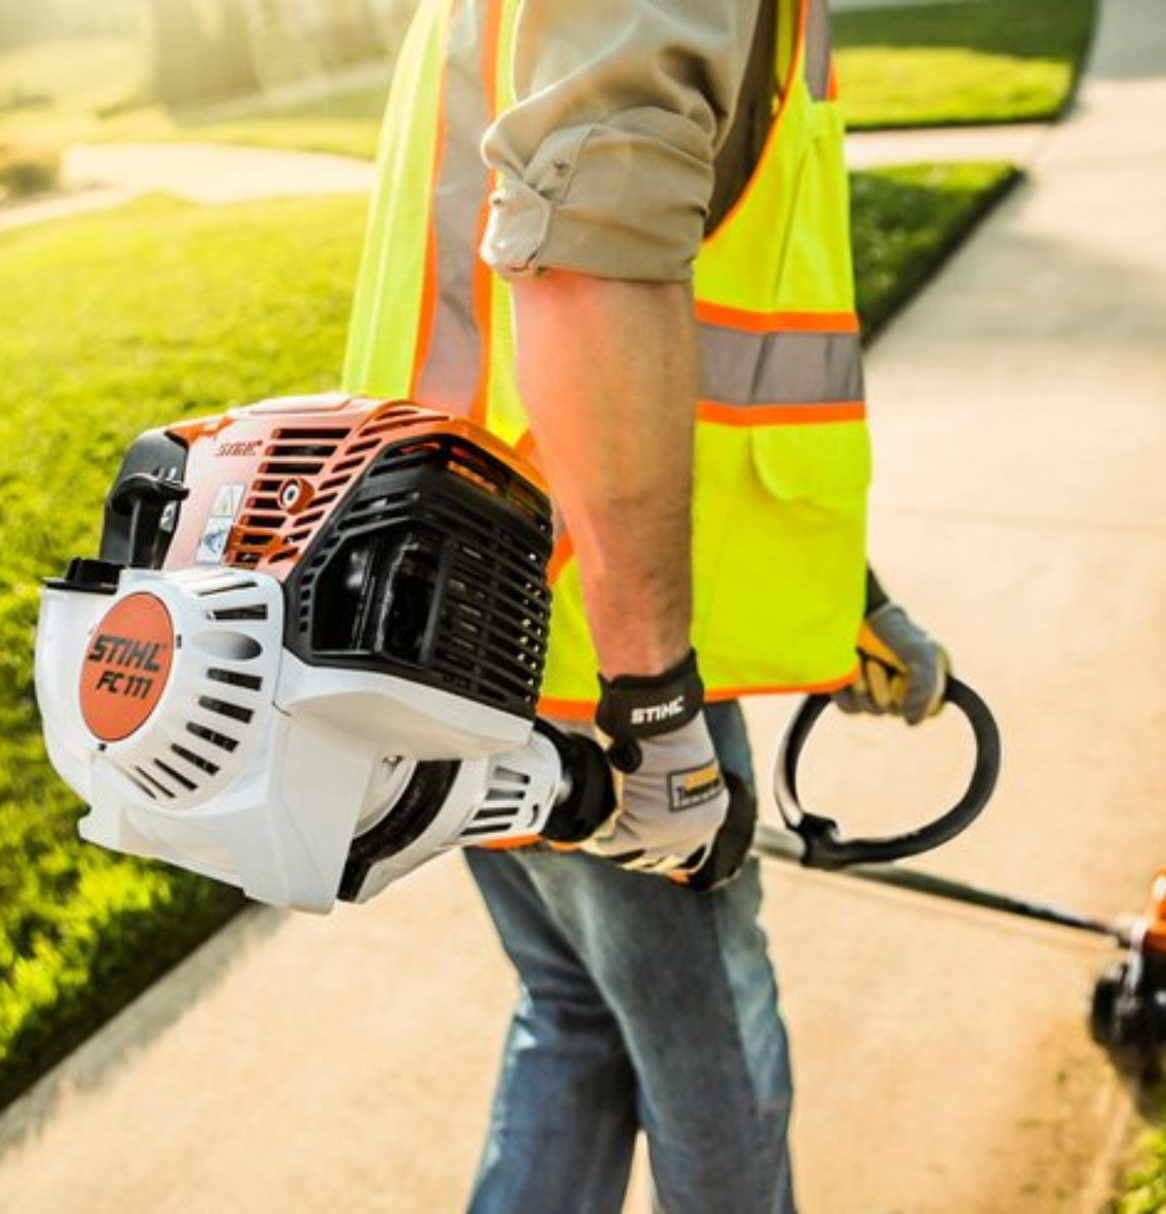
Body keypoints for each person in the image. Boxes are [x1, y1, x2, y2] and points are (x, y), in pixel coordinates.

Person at [343, 0, 948, 1207]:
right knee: (713, 1066)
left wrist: (843, 596)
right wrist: (655, 704)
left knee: (571, 1014)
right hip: (593, 664)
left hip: (454, 610)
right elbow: (586, 268)